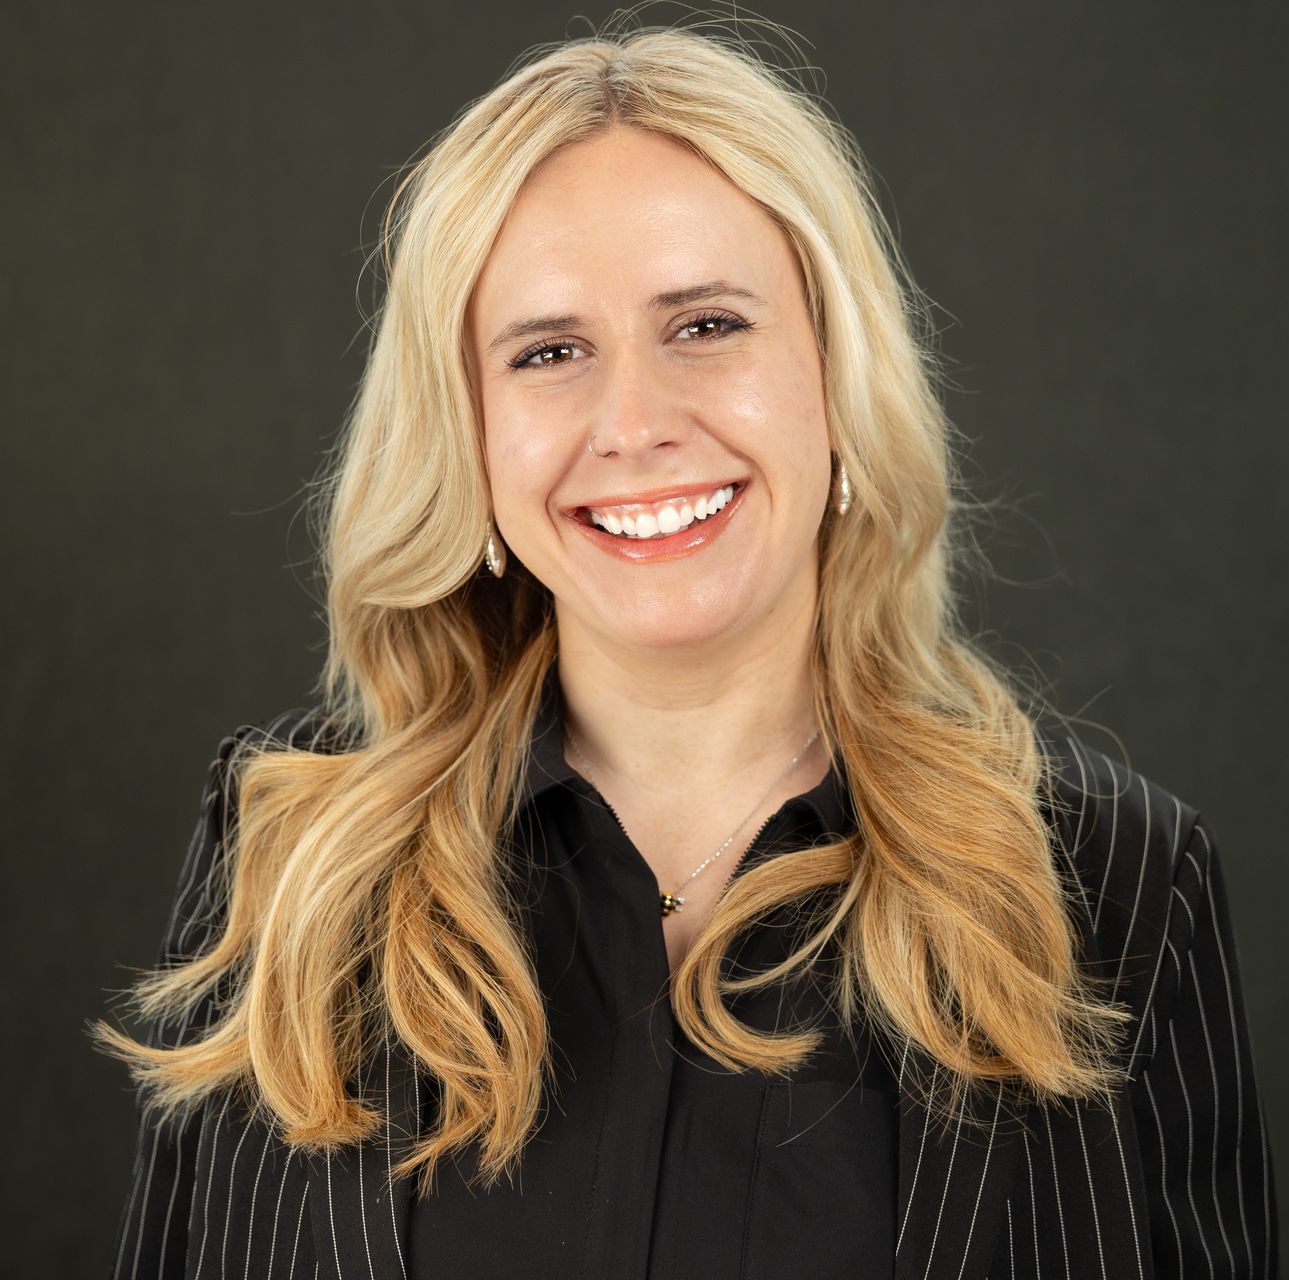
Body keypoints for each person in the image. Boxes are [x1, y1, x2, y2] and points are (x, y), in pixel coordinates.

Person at [95, 16, 1278, 1279]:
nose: (634, 423)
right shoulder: (285, 855)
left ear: (835, 370)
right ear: (471, 435)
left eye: (706, 324)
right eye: (548, 352)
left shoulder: (1116, 886)